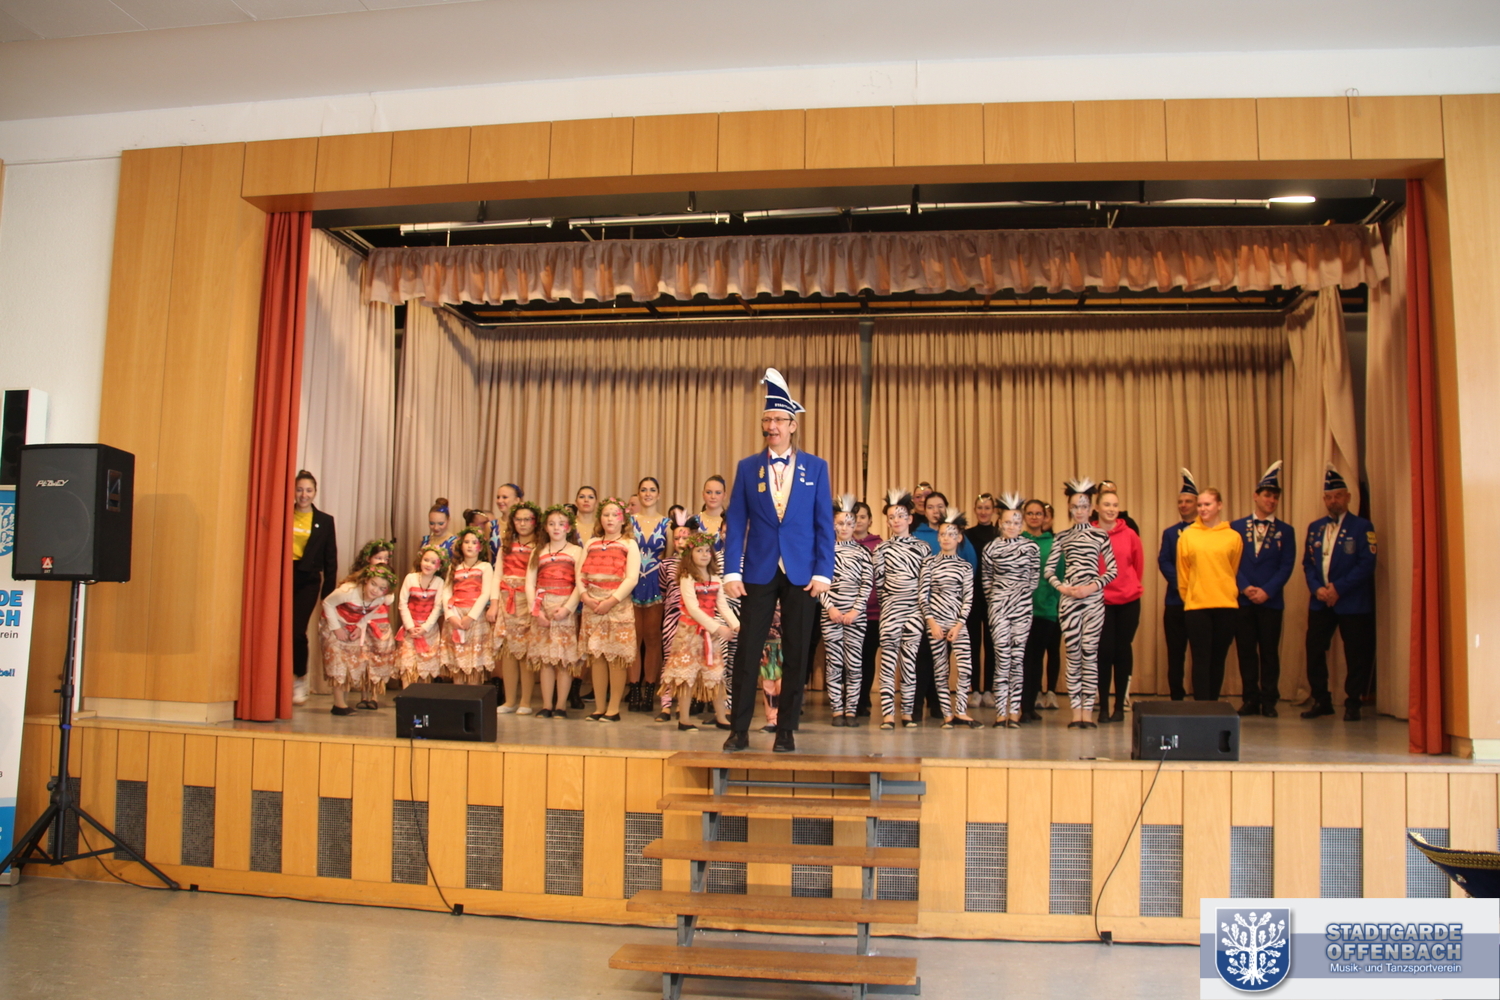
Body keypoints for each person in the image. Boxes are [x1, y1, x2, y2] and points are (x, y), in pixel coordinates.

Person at [722, 367, 835, 753]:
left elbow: (824, 524)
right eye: (766, 420)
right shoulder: (747, 467)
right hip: (758, 569)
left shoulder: (816, 467)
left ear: (792, 425)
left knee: (797, 652)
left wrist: (824, 572)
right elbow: (737, 523)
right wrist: (731, 571)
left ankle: (786, 729)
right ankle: (738, 729)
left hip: (802, 572)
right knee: (748, 650)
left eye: (778, 420)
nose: (771, 426)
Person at [1301, 466, 1377, 721]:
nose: (1334, 501)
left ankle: (1353, 701)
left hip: (1352, 602)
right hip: (1320, 601)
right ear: (1324, 499)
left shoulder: (1362, 527)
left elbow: (1366, 564)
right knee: (1314, 650)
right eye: (1329, 497)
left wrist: (1338, 588)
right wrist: (1317, 588)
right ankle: (1321, 699)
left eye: (1338, 496)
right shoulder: (1315, 528)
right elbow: (1308, 563)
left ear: (1348, 497)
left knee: (1355, 653)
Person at [1044, 479, 1117, 729]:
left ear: (1091, 508)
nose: (1079, 510)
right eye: (1075, 506)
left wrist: (1091, 587)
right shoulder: (1062, 536)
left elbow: (1112, 570)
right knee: (1073, 654)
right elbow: (1049, 571)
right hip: (1069, 601)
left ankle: (1088, 711)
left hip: (1093, 600)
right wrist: (1063, 588)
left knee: (1090, 653)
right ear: (1069, 508)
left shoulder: (1100, 535)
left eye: (1084, 506)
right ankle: (1076, 712)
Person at [1231, 462, 1296, 717]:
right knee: (1246, 651)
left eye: (1275, 497)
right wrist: (1245, 587)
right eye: (1267, 495)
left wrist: (1267, 591)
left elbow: (1287, 565)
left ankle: (1269, 700)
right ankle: (1250, 698)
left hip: (1271, 601)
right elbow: (1231, 562)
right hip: (1243, 600)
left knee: (1269, 652)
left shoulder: (1286, 531)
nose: (1271, 500)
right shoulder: (1236, 527)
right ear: (1255, 496)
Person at [663, 533, 739, 731]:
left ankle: (721, 717)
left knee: (715, 674)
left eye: (707, 551)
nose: (705, 554)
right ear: (690, 554)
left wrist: (736, 625)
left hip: (709, 634)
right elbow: (693, 609)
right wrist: (718, 628)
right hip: (689, 634)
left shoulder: (715, 578)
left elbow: (722, 606)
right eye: (699, 550)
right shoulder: (687, 577)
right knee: (686, 676)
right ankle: (684, 719)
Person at [1177, 487, 1243, 702]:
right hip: (1197, 607)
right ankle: (1201, 707)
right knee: (1201, 659)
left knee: (1218, 659)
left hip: (1226, 606)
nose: (1203, 509)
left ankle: (1213, 705)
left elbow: (1232, 569)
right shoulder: (1188, 535)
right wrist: (1190, 597)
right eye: (1200, 505)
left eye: (1207, 504)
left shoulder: (1233, 537)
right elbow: (1183, 573)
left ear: (1219, 505)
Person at [580, 497, 640, 722]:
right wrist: (585, 596)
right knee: (597, 657)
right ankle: (599, 707)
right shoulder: (591, 543)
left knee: (616, 658)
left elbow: (631, 578)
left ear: (623, 519)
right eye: (606, 515)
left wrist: (611, 601)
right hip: (592, 606)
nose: (610, 519)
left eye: (615, 515)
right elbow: (580, 574)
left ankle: (613, 709)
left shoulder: (629, 544)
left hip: (617, 607)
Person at [982, 494, 1039, 728]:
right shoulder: (991, 548)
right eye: (1007, 522)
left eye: (1016, 522)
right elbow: (987, 580)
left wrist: (1019, 596)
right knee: (1002, 658)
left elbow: (1034, 579)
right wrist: (999, 599)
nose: (1012, 526)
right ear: (1000, 523)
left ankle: (1014, 712)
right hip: (999, 607)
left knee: (1018, 659)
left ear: (1021, 524)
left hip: (1022, 607)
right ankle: (1000, 712)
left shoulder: (1031, 547)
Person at [873, 490, 928, 730]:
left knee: (909, 662)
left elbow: (925, 583)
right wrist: (890, 605)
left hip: (915, 611)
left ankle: (907, 713)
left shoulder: (923, 548)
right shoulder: (881, 549)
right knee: (887, 661)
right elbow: (879, 583)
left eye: (901, 516)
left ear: (910, 519)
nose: (896, 520)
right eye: (892, 517)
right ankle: (888, 714)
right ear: (887, 521)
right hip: (890, 610)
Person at [919, 510, 978, 728]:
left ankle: (961, 710)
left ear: (959, 537)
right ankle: (947, 714)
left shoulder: (965, 566)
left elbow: (968, 598)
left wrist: (959, 624)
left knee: (965, 667)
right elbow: (922, 596)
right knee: (940, 670)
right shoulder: (929, 564)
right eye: (943, 534)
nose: (946, 538)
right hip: (936, 624)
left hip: (957, 624)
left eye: (951, 534)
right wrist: (932, 623)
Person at [526, 506, 584, 718]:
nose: (556, 528)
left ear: (569, 527)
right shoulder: (538, 551)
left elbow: (580, 583)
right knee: (546, 659)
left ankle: (561, 706)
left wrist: (567, 609)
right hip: (543, 608)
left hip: (564, 608)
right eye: (551, 524)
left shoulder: (576, 551)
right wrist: (536, 611)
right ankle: (547, 705)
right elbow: (529, 583)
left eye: (561, 524)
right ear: (545, 527)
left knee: (563, 660)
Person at [822, 494, 875, 726]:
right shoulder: (825, 551)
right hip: (831, 614)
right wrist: (830, 608)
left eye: (849, 523)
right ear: (833, 524)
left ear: (855, 525)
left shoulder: (863, 553)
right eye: (840, 523)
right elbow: (819, 582)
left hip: (856, 616)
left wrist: (855, 611)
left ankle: (851, 709)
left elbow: (867, 584)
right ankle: (836, 710)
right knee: (834, 663)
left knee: (854, 663)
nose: (844, 527)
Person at [320, 564, 396, 716]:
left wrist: (359, 627)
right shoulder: (348, 591)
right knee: (338, 661)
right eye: (373, 584)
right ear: (366, 580)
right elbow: (327, 603)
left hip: (352, 625)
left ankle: (341, 702)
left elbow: (369, 613)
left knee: (349, 663)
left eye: (381, 588)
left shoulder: (381, 598)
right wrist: (336, 628)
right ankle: (339, 704)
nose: (375, 590)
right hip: (333, 623)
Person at [290, 470, 338, 706]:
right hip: (283, 576)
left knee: (296, 631)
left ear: (315, 492)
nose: (303, 495)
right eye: (299, 489)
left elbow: (331, 559)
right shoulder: (284, 514)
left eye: (308, 490)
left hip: (307, 580)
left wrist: (327, 597)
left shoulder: (325, 521)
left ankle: (299, 678)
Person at [1096, 489, 1143, 723]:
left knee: (1123, 651)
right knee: (1104, 652)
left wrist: (1128, 586)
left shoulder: (1130, 534)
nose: (1111, 509)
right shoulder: (1089, 534)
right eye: (1106, 504)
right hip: (1099, 602)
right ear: (1097, 508)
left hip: (1128, 601)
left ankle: (1119, 708)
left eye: (1115, 505)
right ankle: (1103, 706)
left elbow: (1138, 566)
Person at [494, 502, 540, 713]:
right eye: (518, 519)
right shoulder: (506, 545)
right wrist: (494, 603)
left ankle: (526, 701)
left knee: (525, 652)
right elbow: (497, 575)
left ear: (535, 522)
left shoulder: (539, 546)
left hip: (526, 600)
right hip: (506, 601)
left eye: (527, 519)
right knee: (508, 652)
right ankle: (509, 700)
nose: (522, 524)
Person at [629, 476, 669, 713]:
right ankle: (634, 689)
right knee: (633, 638)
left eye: (652, 490)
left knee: (653, 638)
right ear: (638, 493)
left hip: (656, 583)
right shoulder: (628, 522)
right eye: (643, 490)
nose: (647, 494)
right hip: (632, 582)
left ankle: (649, 689)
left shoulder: (666, 524)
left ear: (659, 494)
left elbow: (670, 556)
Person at [1158, 469, 1199, 700]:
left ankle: (1201, 697)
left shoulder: (1207, 533)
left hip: (1201, 601)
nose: (1183, 505)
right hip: (1176, 600)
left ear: (1197, 504)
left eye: (1188, 501)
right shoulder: (1171, 533)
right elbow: (1164, 561)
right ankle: (1176, 696)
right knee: (1175, 653)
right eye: (1180, 502)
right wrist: (1182, 585)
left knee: (1200, 652)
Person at [1020, 499, 1063, 717]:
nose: (1034, 517)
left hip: (1045, 611)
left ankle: (1030, 706)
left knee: (1036, 659)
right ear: (1024, 516)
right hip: (1020, 611)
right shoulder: (1017, 541)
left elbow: (1060, 576)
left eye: (1039, 513)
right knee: (1021, 660)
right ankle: (1021, 707)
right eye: (1030, 513)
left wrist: (1053, 602)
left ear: (1045, 517)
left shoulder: (1054, 545)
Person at [654, 510, 694, 721]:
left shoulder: (698, 564)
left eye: (685, 538)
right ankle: (666, 705)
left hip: (692, 619)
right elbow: (664, 590)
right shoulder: (666, 564)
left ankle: (683, 704)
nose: (680, 542)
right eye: (677, 538)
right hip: (672, 618)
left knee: (688, 660)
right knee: (669, 659)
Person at [442, 527, 493, 684]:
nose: (470, 546)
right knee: (458, 659)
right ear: (461, 545)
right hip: (456, 616)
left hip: (475, 619)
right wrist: (450, 616)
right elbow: (446, 592)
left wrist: (470, 617)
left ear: (481, 547)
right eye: (466, 542)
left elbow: (485, 594)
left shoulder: (485, 567)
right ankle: (458, 693)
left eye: (474, 542)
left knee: (474, 661)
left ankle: (474, 694)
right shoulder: (454, 567)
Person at [965, 493, 1000, 705]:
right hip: (972, 596)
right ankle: (975, 689)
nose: (984, 511)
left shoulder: (999, 534)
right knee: (973, 644)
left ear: (993, 511)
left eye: (987, 508)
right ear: (975, 510)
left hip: (994, 597)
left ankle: (989, 689)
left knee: (992, 644)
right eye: (980, 508)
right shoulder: (967, 535)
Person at [397, 545, 447, 685]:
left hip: (428, 631)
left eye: (433, 562)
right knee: (408, 668)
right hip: (410, 630)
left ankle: (423, 696)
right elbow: (402, 603)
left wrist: (425, 628)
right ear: (420, 560)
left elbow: (438, 608)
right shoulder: (410, 578)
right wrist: (410, 626)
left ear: (439, 566)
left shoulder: (439, 582)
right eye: (426, 560)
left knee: (426, 669)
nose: (428, 564)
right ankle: (407, 695)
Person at [851, 500, 883, 718]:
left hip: (873, 613)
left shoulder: (879, 546)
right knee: (848, 659)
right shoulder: (840, 544)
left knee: (866, 657)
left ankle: (863, 700)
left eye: (863, 517)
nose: (858, 521)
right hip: (847, 613)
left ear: (870, 520)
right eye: (854, 517)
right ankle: (847, 700)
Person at [490, 484, 523, 560]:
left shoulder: (524, 525)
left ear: (517, 500)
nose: (499, 501)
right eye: (498, 497)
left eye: (504, 497)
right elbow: (489, 556)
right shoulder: (491, 525)